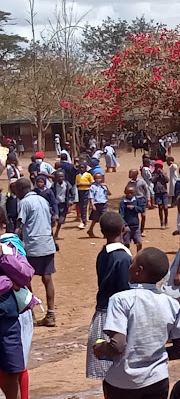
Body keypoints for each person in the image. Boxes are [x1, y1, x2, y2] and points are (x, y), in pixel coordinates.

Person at [92, 247, 180, 398]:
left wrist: (101, 348)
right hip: (157, 381)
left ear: (138, 270)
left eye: (132, 263)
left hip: (122, 382)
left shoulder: (120, 300)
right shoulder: (171, 303)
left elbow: (117, 345)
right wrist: (154, 354)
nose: (129, 266)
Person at [86, 212, 132, 381]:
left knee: (109, 375)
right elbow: (125, 291)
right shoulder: (123, 257)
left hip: (102, 314)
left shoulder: (103, 253)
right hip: (115, 317)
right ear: (123, 229)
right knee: (116, 372)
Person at [0, 208, 35, 399]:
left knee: (14, 367)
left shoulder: (9, 246)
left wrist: (3, 257)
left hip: (11, 317)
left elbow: (25, 275)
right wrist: (7, 282)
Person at [16, 178, 58, 327]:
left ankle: (31, 314)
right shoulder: (42, 200)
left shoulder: (24, 203)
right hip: (47, 243)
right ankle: (51, 314)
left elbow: (20, 225)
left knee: (25, 279)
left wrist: (13, 240)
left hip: (32, 246)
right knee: (47, 279)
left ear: (21, 190)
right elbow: (51, 221)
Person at [120, 186, 146, 253]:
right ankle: (127, 258)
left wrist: (134, 207)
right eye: (128, 193)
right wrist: (125, 225)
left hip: (136, 226)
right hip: (127, 227)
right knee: (127, 244)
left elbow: (142, 209)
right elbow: (121, 215)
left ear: (134, 193)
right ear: (125, 192)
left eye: (131, 193)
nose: (129, 194)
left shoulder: (136, 200)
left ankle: (138, 257)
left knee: (139, 243)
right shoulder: (123, 202)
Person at [126, 169, 150, 238]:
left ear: (135, 174)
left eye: (131, 173)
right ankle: (134, 230)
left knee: (143, 215)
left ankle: (142, 230)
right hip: (133, 200)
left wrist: (148, 200)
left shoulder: (141, 182)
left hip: (141, 199)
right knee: (133, 215)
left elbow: (147, 191)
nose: (129, 174)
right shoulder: (129, 183)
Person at [52, 170, 75, 239]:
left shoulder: (67, 185)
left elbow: (72, 194)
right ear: (55, 178)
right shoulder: (53, 185)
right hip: (56, 205)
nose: (60, 178)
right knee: (53, 219)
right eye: (58, 177)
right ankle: (51, 234)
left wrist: (70, 202)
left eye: (62, 176)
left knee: (60, 221)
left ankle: (56, 233)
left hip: (64, 205)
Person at [86, 173, 110, 238]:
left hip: (104, 204)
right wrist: (92, 205)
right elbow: (91, 197)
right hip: (96, 204)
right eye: (97, 178)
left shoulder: (104, 186)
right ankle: (90, 230)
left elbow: (109, 193)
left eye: (100, 178)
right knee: (95, 219)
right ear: (94, 179)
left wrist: (107, 186)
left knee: (104, 218)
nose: (98, 179)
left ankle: (105, 233)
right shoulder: (93, 187)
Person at [151, 160, 169, 229]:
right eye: (157, 166)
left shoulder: (164, 172)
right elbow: (152, 180)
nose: (158, 168)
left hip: (164, 191)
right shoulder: (153, 173)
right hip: (157, 192)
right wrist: (156, 176)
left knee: (165, 207)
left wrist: (162, 174)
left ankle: (166, 220)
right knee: (160, 207)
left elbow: (167, 180)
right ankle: (162, 222)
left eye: (159, 166)